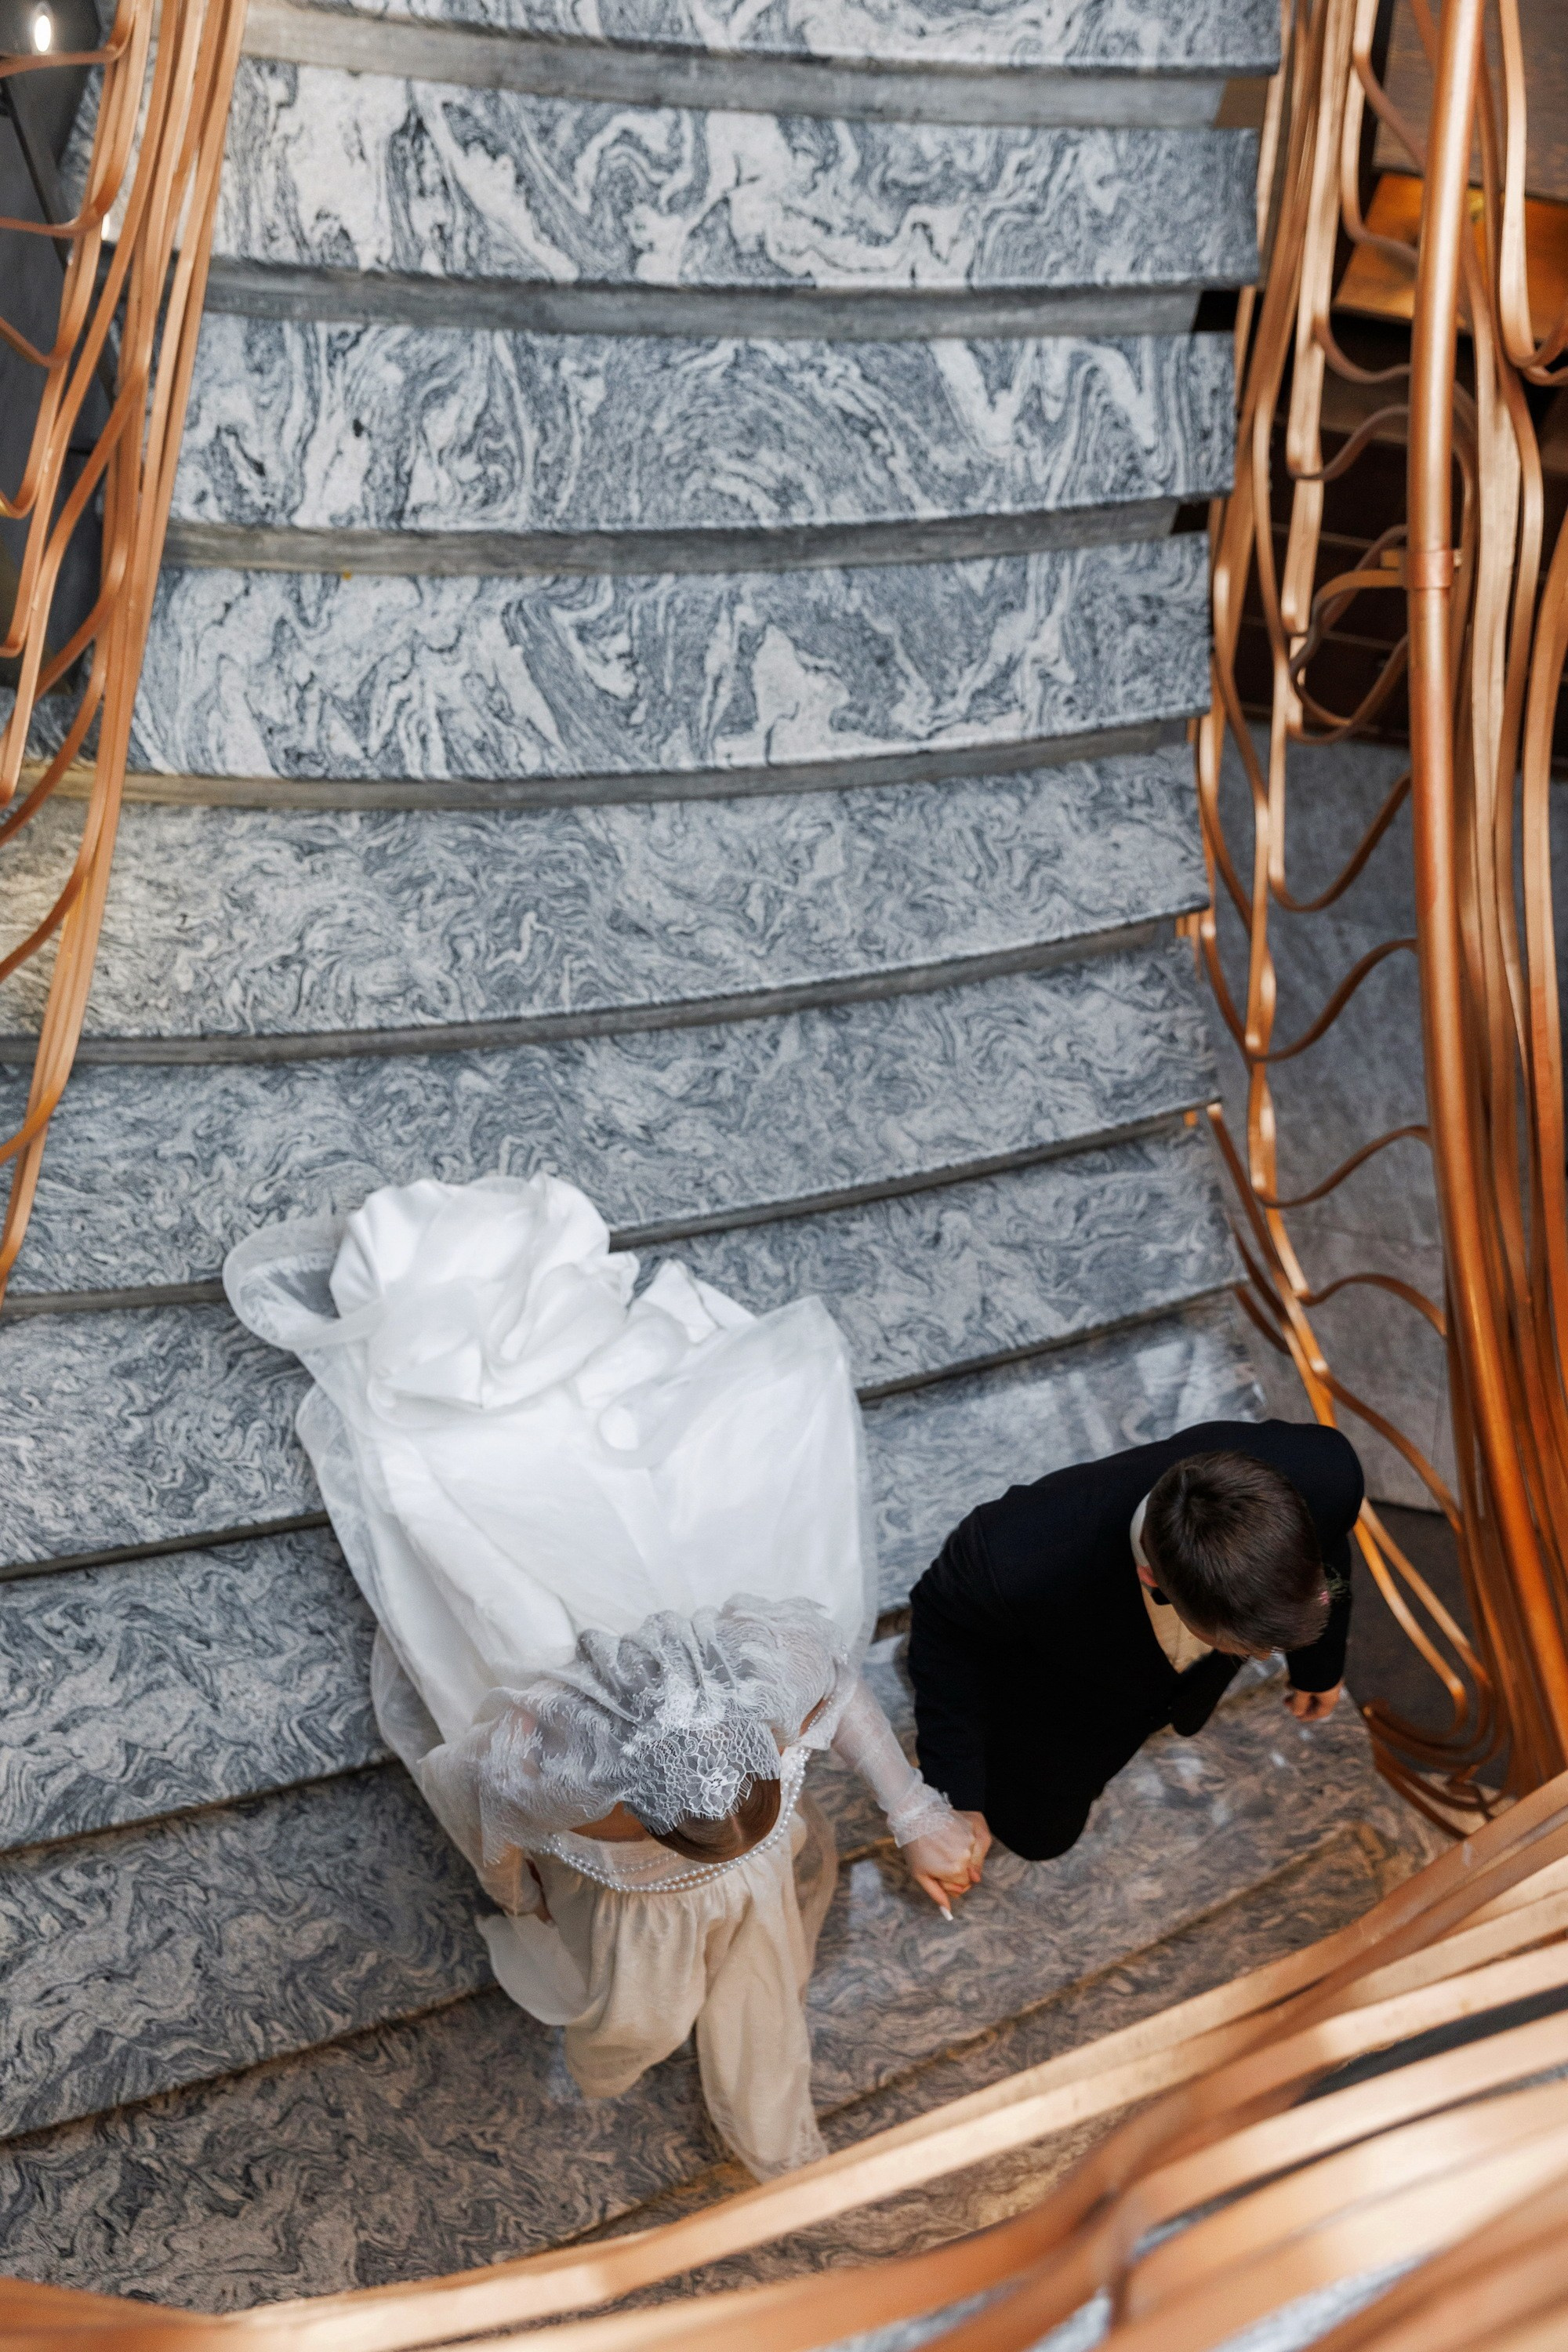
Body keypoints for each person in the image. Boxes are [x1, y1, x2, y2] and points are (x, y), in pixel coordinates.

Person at [224, 1171, 975, 2179]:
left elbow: (838, 1695)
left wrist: (914, 1809)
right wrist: (519, 1891)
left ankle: (779, 2150)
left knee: (764, 1984)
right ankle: (612, 2068)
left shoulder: (760, 1669)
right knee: (637, 2014)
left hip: (726, 1872)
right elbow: (482, 1803)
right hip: (645, 1912)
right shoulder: (555, 1760)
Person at [906, 1419, 1362, 1876]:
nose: (1265, 1659)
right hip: (1062, 1694)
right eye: (1246, 1645)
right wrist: (955, 1796)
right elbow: (941, 1630)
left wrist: (1319, 1665)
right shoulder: (1014, 1556)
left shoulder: (1325, 1470)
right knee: (1038, 1835)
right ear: (1152, 1578)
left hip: (1152, 1685)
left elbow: (1328, 1549)